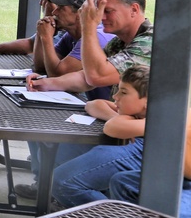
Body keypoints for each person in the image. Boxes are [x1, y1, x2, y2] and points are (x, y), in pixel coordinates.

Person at [14, 0, 116, 199]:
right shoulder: (70, 35)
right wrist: (44, 39)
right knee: (35, 127)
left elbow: (57, 72)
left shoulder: (95, 37)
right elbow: (41, 68)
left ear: (80, 12)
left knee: (50, 141)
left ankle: (50, 190)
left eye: (61, 9)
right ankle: (43, 186)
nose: (54, 12)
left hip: (104, 117)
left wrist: (46, 39)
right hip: (87, 108)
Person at [28, 0, 153, 96]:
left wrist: (88, 26)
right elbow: (84, 78)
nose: (101, 17)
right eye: (99, 10)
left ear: (134, 10)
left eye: (108, 11)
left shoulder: (148, 43)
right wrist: (44, 83)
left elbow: (97, 76)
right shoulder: (119, 42)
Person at [51, 65, 153, 208]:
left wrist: (121, 122)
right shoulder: (137, 114)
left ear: (148, 101)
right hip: (137, 150)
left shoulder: (157, 120)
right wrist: (120, 118)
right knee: (68, 147)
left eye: (123, 92)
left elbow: (112, 128)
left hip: (147, 154)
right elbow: (93, 104)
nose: (115, 96)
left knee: (62, 182)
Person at [108, 112, 191, 218]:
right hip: (180, 176)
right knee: (122, 181)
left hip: (182, 177)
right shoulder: (182, 113)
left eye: (124, 93)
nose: (116, 97)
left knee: (170, 210)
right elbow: (112, 125)